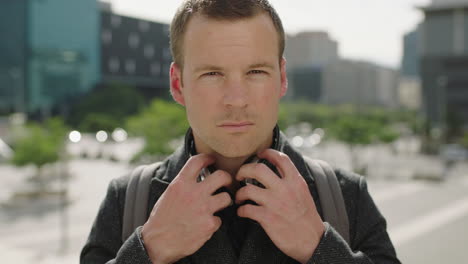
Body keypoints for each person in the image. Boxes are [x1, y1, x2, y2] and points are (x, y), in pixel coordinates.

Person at [80, 0, 400, 263]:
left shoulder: (345, 196)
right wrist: (148, 249)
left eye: (256, 71)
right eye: (212, 73)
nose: (236, 100)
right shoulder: (127, 200)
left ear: (282, 78)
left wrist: (320, 246)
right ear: (178, 85)